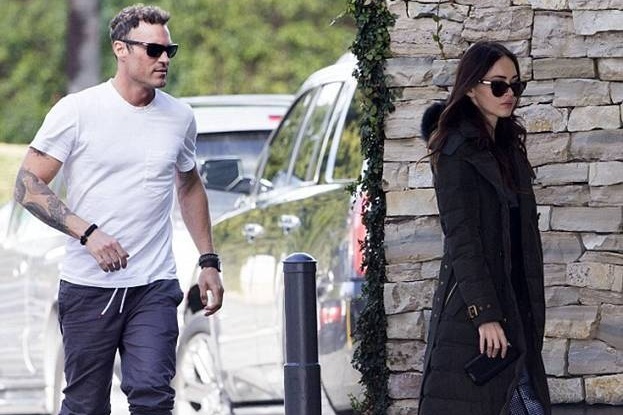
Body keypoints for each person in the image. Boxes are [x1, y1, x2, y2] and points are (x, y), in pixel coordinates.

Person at [13, 4, 224, 414]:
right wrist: (88, 234)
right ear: (120, 49)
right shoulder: (77, 111)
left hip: (154, 284)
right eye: (153, 50)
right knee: (86, 405)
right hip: (88, 287)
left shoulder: (179, 117)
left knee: (153, 396)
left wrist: (208, 260)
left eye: (169, 51)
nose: (164, 59)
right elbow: (27, 185)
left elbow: (189, 184)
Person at [418, 41, 551, 415]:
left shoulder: (507, 148)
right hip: (476, 315)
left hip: (515, 304)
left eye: (515, 85)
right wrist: (485, 314)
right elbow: (463, 240)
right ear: (471, 88)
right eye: (498, 85)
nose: (509, 94)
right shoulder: (455, 152)